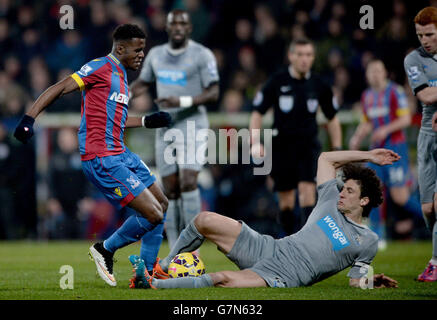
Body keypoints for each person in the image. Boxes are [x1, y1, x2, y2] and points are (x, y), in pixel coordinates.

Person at [13, 24, 172, 286]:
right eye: (138, 49)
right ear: (120, 48)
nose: (142, 54)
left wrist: (146, 121)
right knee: (153, 214)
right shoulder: (100, 67)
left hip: (121, 153)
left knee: (162, 204)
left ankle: (149, 272)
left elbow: (115, 121)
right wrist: (29, 118)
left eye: (144, 49)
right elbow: (61, 86)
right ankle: (105, 249)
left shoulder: (122, 76)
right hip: (103, 158)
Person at [127, 149, 399, 289]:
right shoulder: (330, 198)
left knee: (221, 278)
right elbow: (327, 159)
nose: (342, 193)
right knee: (204, 219)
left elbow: (355, 281)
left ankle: (152, 284)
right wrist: (369, 156)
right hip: (272, 247)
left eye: (349, 191)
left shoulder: (368, 240)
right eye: (344, 188)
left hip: (287, 274)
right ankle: (161, 267)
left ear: (364, 201)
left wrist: (370, 281)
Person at [130, 10, 219, 253]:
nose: (178, 27)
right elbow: (144, 83)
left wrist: (183, 101)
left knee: (189, 181)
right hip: (166, 127)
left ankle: (194, 250)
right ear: (168, 28)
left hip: (193, 125)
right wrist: (124, 93)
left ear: (189, 28)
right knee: (169, 189)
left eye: (183, 23)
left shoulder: (202, 54)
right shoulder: (157, 55)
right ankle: (175, 248)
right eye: (174, 23)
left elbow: (213, 91)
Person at [249, 38, 342, 235]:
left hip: (308, 147)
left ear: (313, 57)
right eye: (299, 54)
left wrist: (337, 148)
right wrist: (255, 142)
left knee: (307, 192)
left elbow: (332, 118)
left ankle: (306, 243)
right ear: (291, 56)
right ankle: (289, 241)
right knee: (287, 199)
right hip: (281, 147)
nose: (304, 59)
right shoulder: (277, 81)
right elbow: (257, 113)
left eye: (308, 55)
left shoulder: (319, 85)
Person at [349, 59, 422, 249]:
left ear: (384, 73)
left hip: (395, 148)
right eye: (371, 71)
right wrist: (357, 136)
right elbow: (366, 121)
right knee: (372, 190)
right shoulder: (367, 96)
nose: (374, 74)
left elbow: (406, 119)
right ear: (367, 75)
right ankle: (377, 236)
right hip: (375, 150)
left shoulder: (395, 91)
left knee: (400, 197)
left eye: (378, 71)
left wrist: (385, 130)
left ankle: (430, 217)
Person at [404, 6, 437, 282]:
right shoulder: (413, 60)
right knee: (428, 209)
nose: (424, 40)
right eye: (420, 35)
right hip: (427, 135)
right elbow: (426, 95)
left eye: (429, 34)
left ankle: (435, 263)